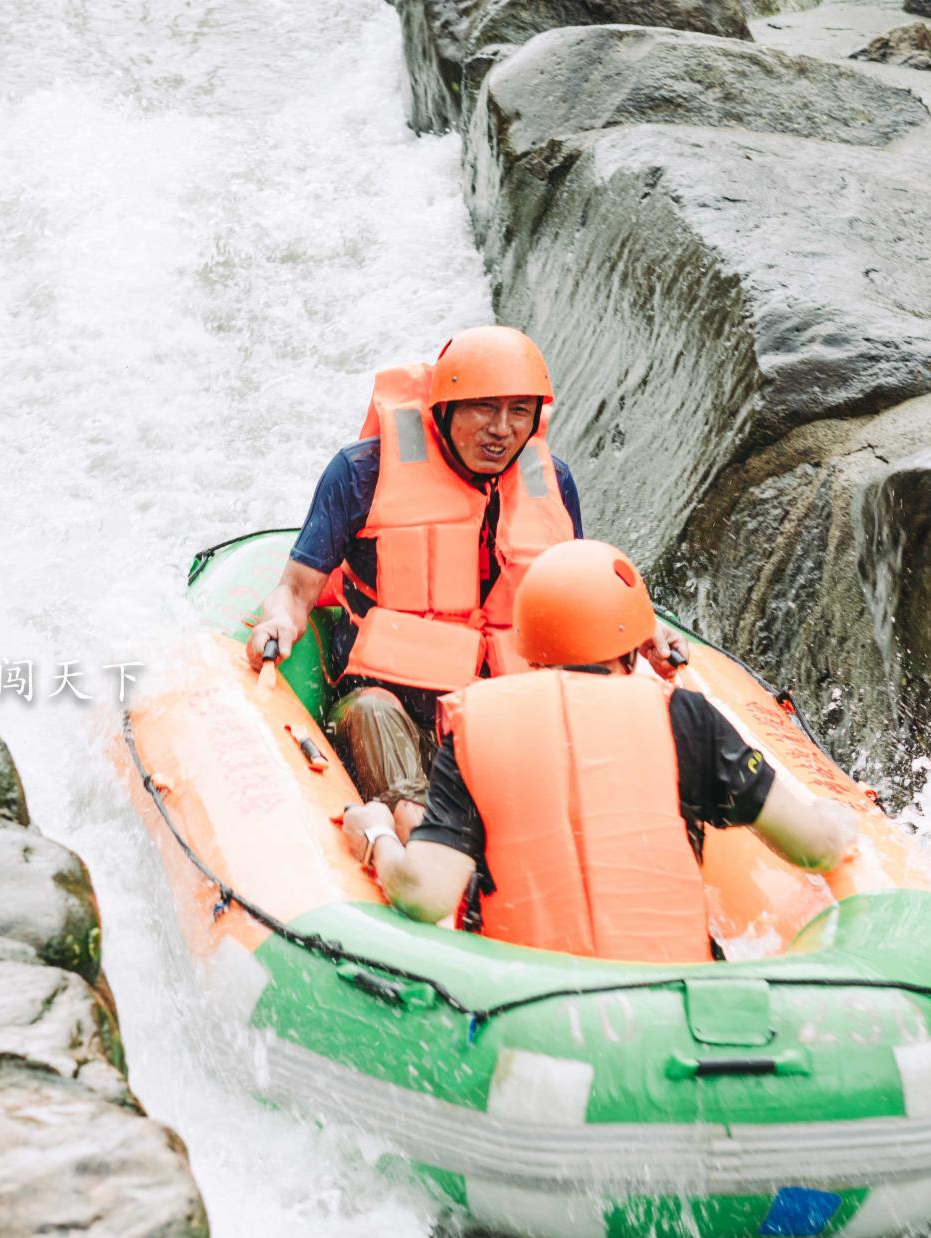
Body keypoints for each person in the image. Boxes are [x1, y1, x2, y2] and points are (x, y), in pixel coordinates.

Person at [245, 326, 679, 833]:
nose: (501, 428)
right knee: (372, 713)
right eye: (483, 408)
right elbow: (297, 590)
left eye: (520, 410)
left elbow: (584, 598)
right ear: (444, 408)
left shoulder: (552, 482)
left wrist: (642, 632)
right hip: (390, 702)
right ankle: (419, 840)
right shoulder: (361, 472)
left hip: (501, 708)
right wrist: (278, 620)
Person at [340, 540, 859, 962]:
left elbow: (424, 895)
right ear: (635, 643)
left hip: (526, 1002)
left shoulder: (476, 723)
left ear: (528, 645)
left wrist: (378, 838)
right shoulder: (688, 718)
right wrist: (834, 817)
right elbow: (814, 849)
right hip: (682, 1003)